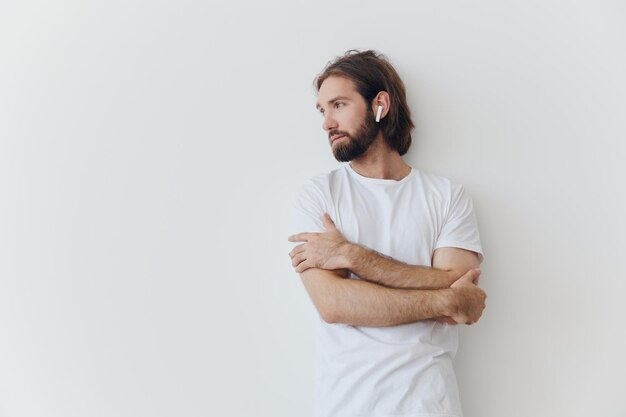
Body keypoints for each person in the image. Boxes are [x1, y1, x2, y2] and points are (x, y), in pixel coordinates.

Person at [287, 49, 487, 417]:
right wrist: (443, 298)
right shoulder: (319, 195)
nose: (326, 122)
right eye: (322, 110)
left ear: (380, 104)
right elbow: (334, 305)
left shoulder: (447, 196)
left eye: (339, 105)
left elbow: (464, 286)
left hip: (430, 405)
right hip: (347, 405)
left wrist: (353, 256)